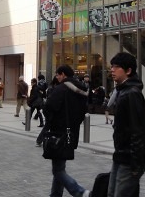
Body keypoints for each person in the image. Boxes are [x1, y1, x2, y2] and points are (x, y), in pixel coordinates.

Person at [108, 53, 145, 196]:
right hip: (121, 154)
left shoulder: (131, 93)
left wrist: (136, 163)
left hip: (130, 157)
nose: (112, 70)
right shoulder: (122, 91)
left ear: (128, 71)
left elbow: (138, 130)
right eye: (112, 66)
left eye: (116, 67)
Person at [42, 65, 89, 197]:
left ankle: (81, 192)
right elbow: (83, 112)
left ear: (62, 74)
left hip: (59, 133)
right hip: (72, 132)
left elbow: (48, 107)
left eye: (57, 75)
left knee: (58, 170)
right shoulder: (82, 89)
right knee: (60, 167)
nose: (56, 77)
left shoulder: (61, 88)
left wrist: (52, 121)